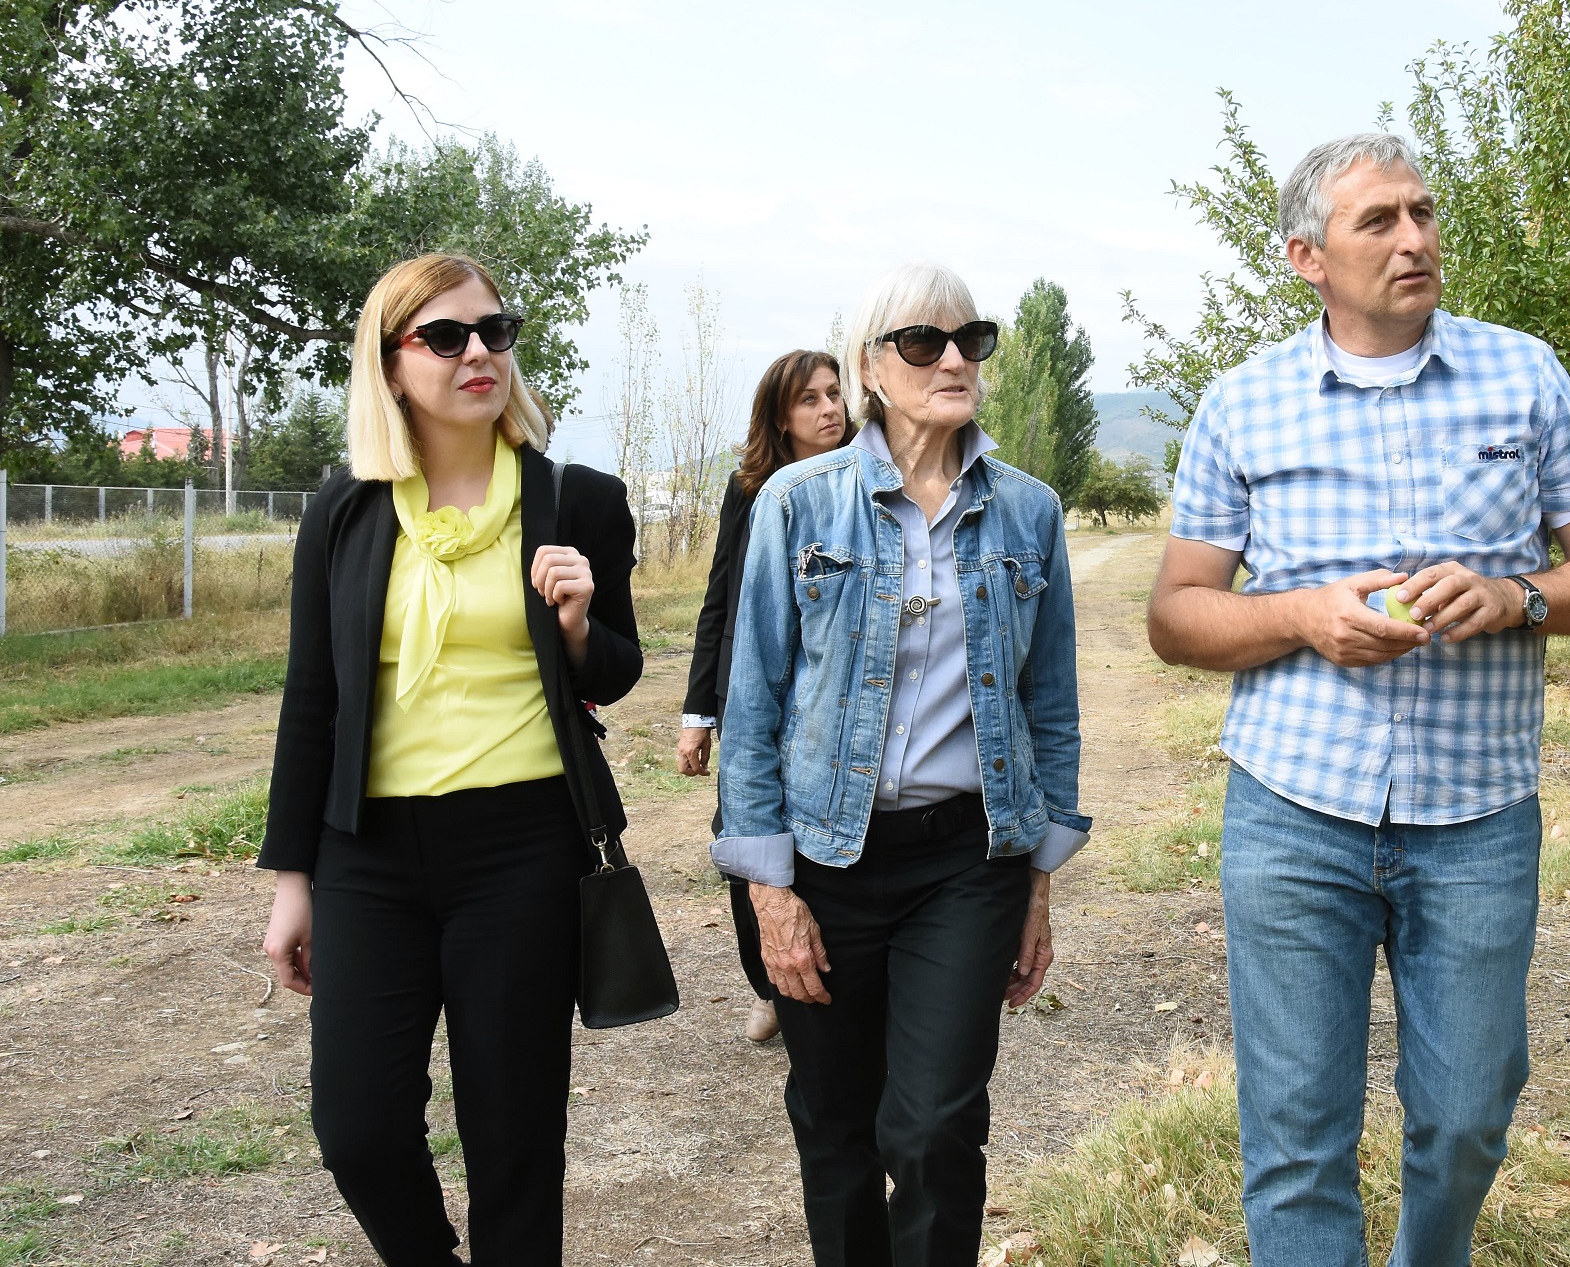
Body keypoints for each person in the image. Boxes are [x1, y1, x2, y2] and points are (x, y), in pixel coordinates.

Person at [1146, 134, 1570, 1267]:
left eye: (1423, 213)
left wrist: (1517, 595)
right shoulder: (1244, 404)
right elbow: (1177, 615)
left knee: (1468, 1116)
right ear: (1307, 257)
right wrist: (1302, 616)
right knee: (1295, 1137)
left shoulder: (1524, 375)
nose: (1415, 238)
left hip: (1475, 814)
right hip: (1294, 812)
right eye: (1378, 221)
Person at [257, 253, 643, 1267]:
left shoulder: (576, 499)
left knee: (514, 1138)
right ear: (391, 363)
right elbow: (312, 700)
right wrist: (293, 880)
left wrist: (576, 625)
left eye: (494, 331)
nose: (479, 351)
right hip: (368, 854)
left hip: (522, 847)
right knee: (358, 1126)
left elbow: (619, 669)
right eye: (445, 335)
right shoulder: (346, 508)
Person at [711, 262, 1089, 1267]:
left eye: (972, 339)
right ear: (873, 366)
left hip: (965, 863)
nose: (954, 358)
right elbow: (753, 705)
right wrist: (770, 894)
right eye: (924, 342)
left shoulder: (1030, 511)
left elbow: (1051, 706)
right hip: (824, 860)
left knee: (932, 1128)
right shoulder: (798, 502)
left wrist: (1038, 884)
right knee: (836, 1122)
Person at [677, 349, 853, 1042]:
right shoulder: (749, 490)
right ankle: (767, 984)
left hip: (827, 698)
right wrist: (699, 714)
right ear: (780, 417)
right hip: (750, 696)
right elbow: (718, 602)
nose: (829, 409)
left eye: (834, 394)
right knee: (746, 837)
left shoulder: (863, 485)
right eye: (809, 399)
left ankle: (829, 972)